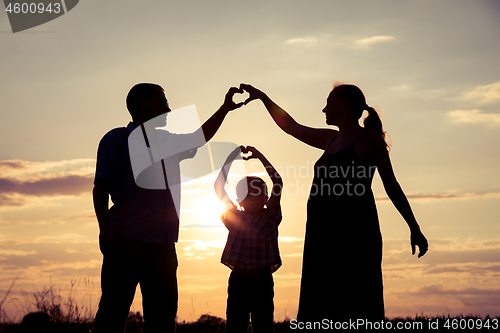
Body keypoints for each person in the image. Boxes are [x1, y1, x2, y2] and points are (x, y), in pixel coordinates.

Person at [239, 83, 428, 325]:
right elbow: (290, 126)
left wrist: (414, 227)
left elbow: (391, 185)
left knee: (354, 303)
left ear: (344, 103)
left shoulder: (368, 139)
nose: (323, 109)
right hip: (321, 236)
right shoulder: (330, 139)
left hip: (355, 235)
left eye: (328, 101)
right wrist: (262, 97)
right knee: (320, 304)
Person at [92, 83, 244, 333]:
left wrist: (225, 108)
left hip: (163, 245)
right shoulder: (117, 139)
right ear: (143, 102)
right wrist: (105, 230)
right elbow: (101, 187)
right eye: (162, 102)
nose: (168, 108)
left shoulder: (167, 141)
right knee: (113, 314)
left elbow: (200, 137)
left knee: (162, 318)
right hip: (125, 241)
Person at [215, 146, 283, 333]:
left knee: (263, 327)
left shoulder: (270, 217)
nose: (253, 198)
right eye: (248, 194)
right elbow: (219, 185)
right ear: (240, 200)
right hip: (239, 282)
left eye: (257, 193)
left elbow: (277, 182)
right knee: (236, 327)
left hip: (262, 282)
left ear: (265, 198)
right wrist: (230, 159)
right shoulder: (235, 218)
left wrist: (260, 156)